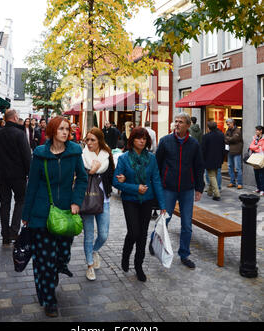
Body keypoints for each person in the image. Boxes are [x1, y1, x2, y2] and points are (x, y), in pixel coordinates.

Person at [22, 116, 88, 317]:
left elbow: (83, 179)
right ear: (52, 131)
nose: (65, 132)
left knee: (62, 254)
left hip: (66, 212)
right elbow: (32, 185)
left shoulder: (75, 152)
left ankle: (58, 267)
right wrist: (26, 215)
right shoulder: (40, 154)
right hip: (41, 213)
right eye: (61, 129)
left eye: (67, 129)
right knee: (45, 258)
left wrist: (76, 201)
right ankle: (49, 299)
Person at [113, 127, 166, 282]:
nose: (142, 141)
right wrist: (135, 188)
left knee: (142, 234)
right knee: (134, 232)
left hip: (147, 201)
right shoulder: (124, 158)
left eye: (144, 138)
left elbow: (156, 180)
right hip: (130, 200)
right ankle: (126, 254)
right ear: (132, 140)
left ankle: (138, 266)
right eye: (138, 138)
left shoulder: (151, 158)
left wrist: (162, 205)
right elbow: (116, 181)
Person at [155, 112, 205, 269]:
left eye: (181, 122)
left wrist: (199, 188)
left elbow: (198, 167)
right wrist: (158, 186)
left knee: (187, 225)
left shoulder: (194, 144)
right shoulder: (165, 141)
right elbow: (157, 164)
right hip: (168, 188)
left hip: (187, 189)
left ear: (188, 125)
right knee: (164, 220)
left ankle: (184, 254)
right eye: (175, 121)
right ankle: (154, 242)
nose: (177, 124)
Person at [0, 109, 32, 244]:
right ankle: (14, 230)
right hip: (18, 174)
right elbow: (26, 156)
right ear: (14, 117)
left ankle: (5, 234)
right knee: (21, 200)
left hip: (1, 175)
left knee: (5, 203)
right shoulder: (19, 134)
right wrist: (28, 173)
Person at [82, 127, 115, 281]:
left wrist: (120, 180)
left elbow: (112, 176)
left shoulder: (106, 155)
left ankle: (94, 251)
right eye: (87, 139)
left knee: (103, 234)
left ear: (99, 141)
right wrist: (90, 171)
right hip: (87, 199)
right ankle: (89, 265)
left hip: (104, 200)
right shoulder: (82, 156)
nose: (89, 143)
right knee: (88, 235)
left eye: (92, 140)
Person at [201, 121, 225, 201]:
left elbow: (203, 150)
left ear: (208, 128)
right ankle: (210, 192)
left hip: (209, 159)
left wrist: (202, 159)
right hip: (218, 158)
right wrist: (222, 158)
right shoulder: (221, 135)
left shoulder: (206, 136)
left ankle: (217, 194)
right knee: (214, 174)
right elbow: (223, 148)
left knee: (211, 176)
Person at [225, 118, 243, 189]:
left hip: (237, 151)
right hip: (230, 151)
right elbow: (225, 138)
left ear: (232, 123)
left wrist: (228, 138)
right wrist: (228, 138)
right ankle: (232, 182)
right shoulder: (228, 130)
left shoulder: (238, 130)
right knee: (230, 167)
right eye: (227, 124)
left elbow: (234, 139)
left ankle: (240, 183)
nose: (228, 125)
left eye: (228, 124)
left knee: (238, 168)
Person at [249, 125, 264, 196]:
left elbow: (263, 148)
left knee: (261, 174)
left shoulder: (263, 138)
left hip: (261, 158)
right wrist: (257, 146)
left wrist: (256, 147)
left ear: (261, 131)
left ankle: (262, 190)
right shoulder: (255, 138)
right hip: (255, 157)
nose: (256, 131)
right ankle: (258, 188)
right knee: (256, 174)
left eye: (257, 130)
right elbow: (251, 146)